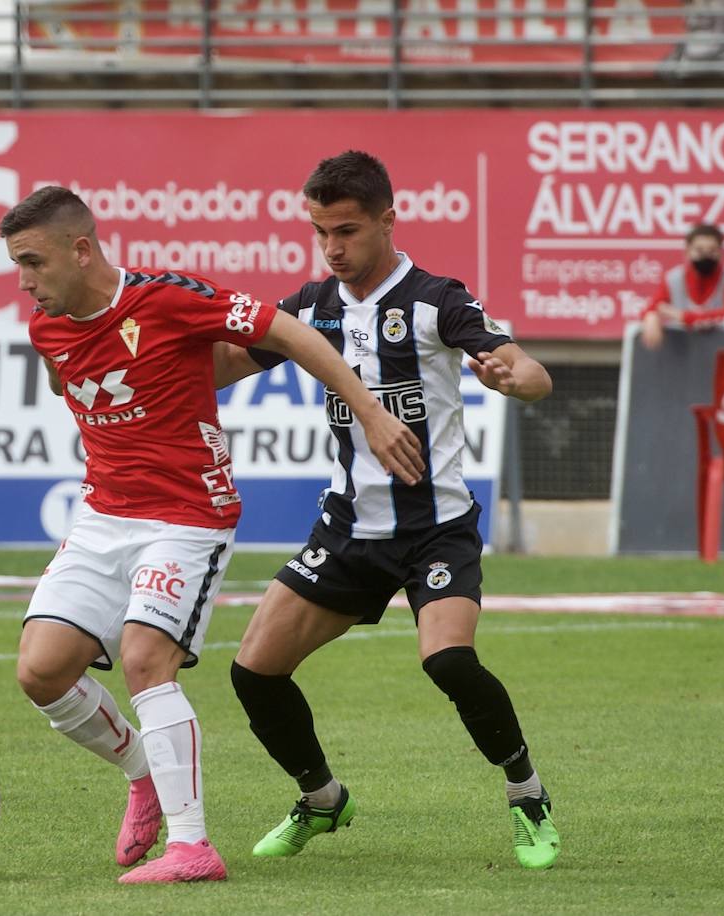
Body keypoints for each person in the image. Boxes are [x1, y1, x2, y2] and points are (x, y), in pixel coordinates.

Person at [0, 185, 423, 884]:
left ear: (81, 250)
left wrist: (370, 414)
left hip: (187, 514)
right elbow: (64, 376)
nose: (23, 281)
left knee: (144, 660)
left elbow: (289, 334)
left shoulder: (166, 299)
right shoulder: (46, 329)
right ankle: (143, 774)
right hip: (103, 515)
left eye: (33, 263)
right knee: (40, 672)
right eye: (17, 265)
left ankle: (191, 846)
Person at [214, 150, 560, 870]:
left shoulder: (437, 299)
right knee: (253, 671)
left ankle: (527, 796)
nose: (333, 249)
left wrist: (510, 377)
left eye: (347, 230)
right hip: (348, 531)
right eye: (321, 233)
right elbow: (228, 364)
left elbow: (530, 371)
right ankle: (321, 799)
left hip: (435, 530)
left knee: (449, 660)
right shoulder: (312, 308)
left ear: (387, 220)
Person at [640, 223, 724, 350]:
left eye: (712, 250)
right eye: (699, 250)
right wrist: (651, 317)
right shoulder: (673, 279)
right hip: (685, 357)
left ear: (721, 252)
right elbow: (654, 307)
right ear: (687, 252)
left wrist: (683, 316)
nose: (706, 255)